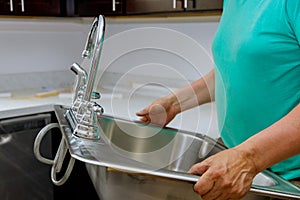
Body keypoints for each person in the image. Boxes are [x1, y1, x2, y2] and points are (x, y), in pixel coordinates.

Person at [136, 0, 300, 199]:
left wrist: (248, 159)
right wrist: (174, 103)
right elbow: (234, 71)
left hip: (289, 177)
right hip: (238, 158)